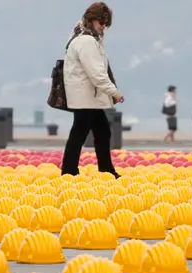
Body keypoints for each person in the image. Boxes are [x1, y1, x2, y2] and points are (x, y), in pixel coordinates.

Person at [61, 2, 123, 178]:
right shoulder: (87, 41)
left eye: (106, 24)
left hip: (88, 96)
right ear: (92, 20)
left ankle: (104, 170)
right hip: (85, 96)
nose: (104, 27)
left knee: (100, 132)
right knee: (81, 134)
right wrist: (114, 92)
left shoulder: (85, 37)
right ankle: (70, 172)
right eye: (101, 22)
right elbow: (97, 73)